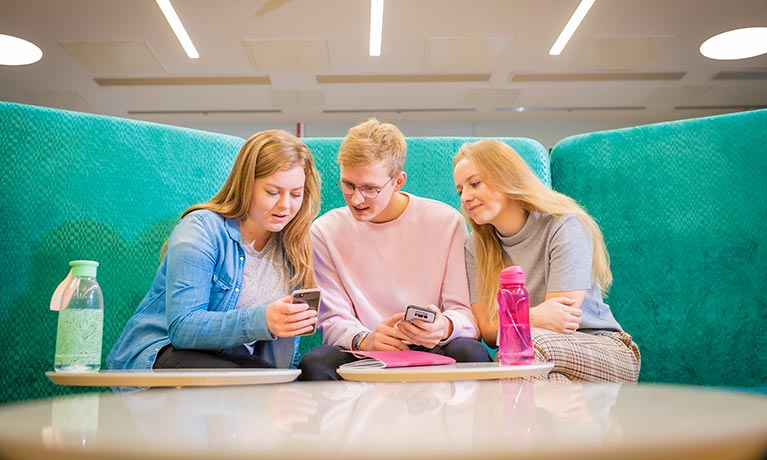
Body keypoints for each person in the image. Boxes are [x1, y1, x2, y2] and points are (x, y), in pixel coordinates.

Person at [108, 130, 321, 370]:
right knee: (249, 381)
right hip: (165, 352)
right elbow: (183, 328)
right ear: (245, 186)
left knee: (278, 382)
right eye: (272, 192)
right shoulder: (200, 229)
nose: (285, 205)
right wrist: (262, 320)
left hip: (240, 364)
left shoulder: (292, 244)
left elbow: (279, 351)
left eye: (296, 194)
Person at [298, 119, 490, 381]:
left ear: (398, 181)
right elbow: (332, 321)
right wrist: (368, 339)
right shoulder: (324, 232)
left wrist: (442, 326)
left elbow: (464, 315)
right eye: (348, 185)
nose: (356, 199)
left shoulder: (446, 222)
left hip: (432, 346)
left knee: (471, 353)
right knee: (316, 362)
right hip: (365, 349)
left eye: (370, 188)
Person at [452, 139, 641, 383]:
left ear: (506, 177)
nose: (465, 198)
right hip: (538, 360)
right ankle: (563, 413)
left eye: (474, 183)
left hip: (604, 350)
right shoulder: (475, 246)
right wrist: (534, 316)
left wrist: (514, 321)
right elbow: (488, 330)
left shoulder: (563, 225)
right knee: (547, 381)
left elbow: (561, 319)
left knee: (522, 352)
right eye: (460, 190)